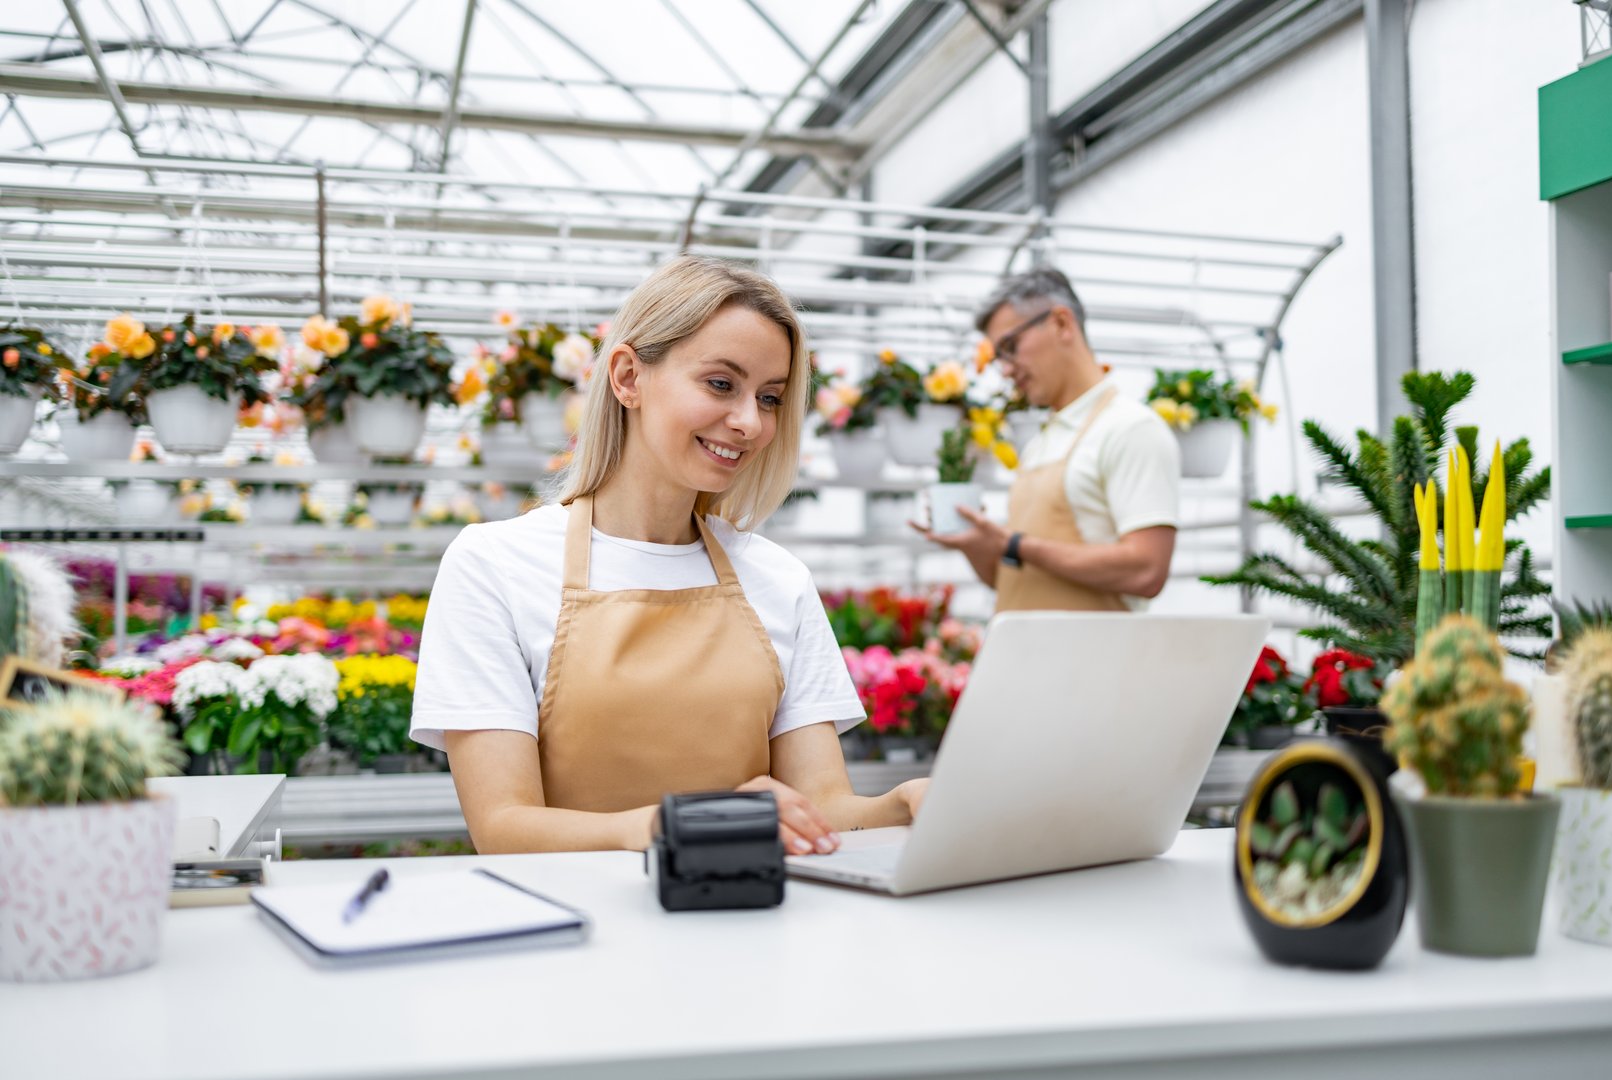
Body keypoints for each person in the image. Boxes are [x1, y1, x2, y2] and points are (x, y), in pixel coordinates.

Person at [410, 256, 926, 855]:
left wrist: (904, 803)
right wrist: (673, 823)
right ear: (628, 377)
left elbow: (824, 810)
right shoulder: (494, 564)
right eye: (720, 384)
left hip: (752, 925)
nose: (750, 423)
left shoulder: (777, 579)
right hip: (575, 932)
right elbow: (503, 827)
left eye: (770, 397)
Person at [919, 267, 1179, 612]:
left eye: (1010, 347)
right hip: (1030, 661)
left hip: (1091, 662)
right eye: (999, 357)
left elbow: (1147, 569)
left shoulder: (1129, 428)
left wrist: (1013, 544)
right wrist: (976, 543)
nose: (1007, 369)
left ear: (1061, 323)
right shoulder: (1039, 444)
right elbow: (1014, 580)